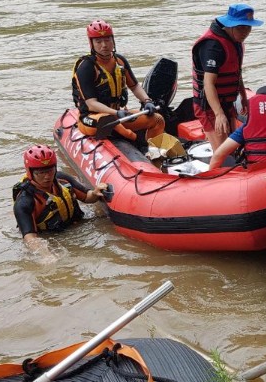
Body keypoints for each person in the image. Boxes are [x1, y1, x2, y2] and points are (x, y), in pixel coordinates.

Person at [72, 19, 165, 151]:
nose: (104, 45)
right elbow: (91, 103)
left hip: (117, 115)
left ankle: (156, 153)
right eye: (98, 41)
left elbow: (134, 86)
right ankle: (138, 143)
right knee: (109, 120)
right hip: (92, 118)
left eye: (107, 40)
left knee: (157, 120)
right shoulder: (86, 67)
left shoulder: (120, 61)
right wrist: (116, 112)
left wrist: (147, 101)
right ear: (91, 43)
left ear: (113, 40)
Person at [12, 145, 109, 260]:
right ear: (30, 172)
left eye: (50, 170)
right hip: (52, 238)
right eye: (41, 172)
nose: (47, 176)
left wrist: (95, 193)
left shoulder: (62, 179)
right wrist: (47, 255)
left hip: (77, 227)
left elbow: (87, 198)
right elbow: (30, 238)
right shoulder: (25, 201)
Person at [192, 4, 262, 151]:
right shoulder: (212, 46)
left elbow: (236, 71)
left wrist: (243, 96)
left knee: (233, 147)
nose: (245, 32)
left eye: (248, 27)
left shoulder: (235, 42)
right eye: (241, 27)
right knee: (223, 152)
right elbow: (208, 83)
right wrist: (219, 114)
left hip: (227, 101)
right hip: (209, 106)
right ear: (230, 25)